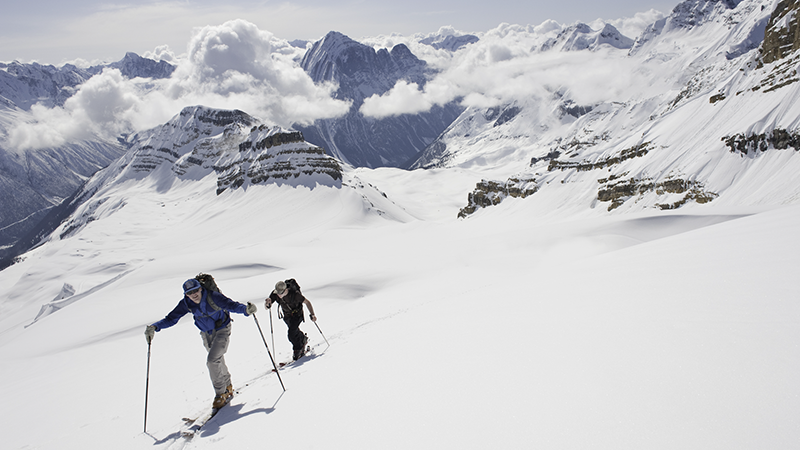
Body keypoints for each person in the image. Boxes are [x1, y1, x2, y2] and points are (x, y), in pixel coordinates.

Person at [145, 278, 257, 409]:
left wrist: (246, 310)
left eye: (196, 290)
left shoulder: (213, 296)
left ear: (201, 288)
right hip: (206, 333)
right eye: (189, 293)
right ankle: (228, 385)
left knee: (212, 360)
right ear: (186, 294)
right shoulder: (186, 303)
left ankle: (220, 394)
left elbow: (231, 305)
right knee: (216, 359)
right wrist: (154, 327)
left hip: (222, 330)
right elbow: (171, 318)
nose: (194, 294)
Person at [265, 279, 317, 361]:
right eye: (277, 293)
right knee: (294, 330)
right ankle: (303, 339)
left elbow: (307, 302)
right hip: (287, 316)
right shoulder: (275, 293)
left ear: (285, 290)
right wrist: (268, 304)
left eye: (280, 293)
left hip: (297, 315)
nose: (278, 295)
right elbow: (268, 306)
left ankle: (298, 349)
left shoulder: (295, 294)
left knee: (291, 334)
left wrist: (312, 314)